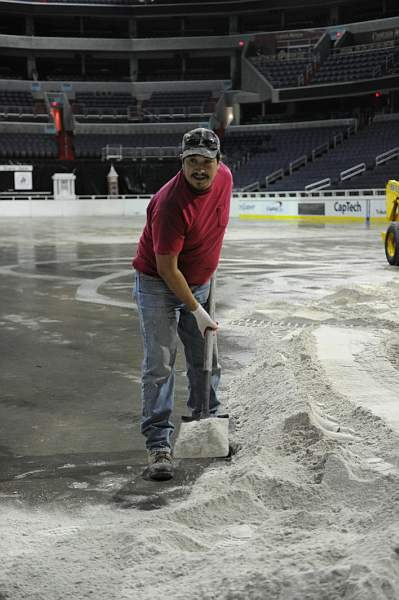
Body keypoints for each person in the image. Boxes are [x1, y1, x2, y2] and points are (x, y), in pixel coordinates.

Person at [132, 127, 233, 481]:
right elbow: (165, 268)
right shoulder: (170, 203)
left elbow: (216, 223)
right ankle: (159, 445)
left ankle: (208, 425)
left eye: (206, 161)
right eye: (192, 161)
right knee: (160, 364)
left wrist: (207, 270)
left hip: (200, 281)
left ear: (218, 162)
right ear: (182, 163)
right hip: (159, 284)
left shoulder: (226, 179)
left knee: (206, 361)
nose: (199, 169)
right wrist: (197, 309)